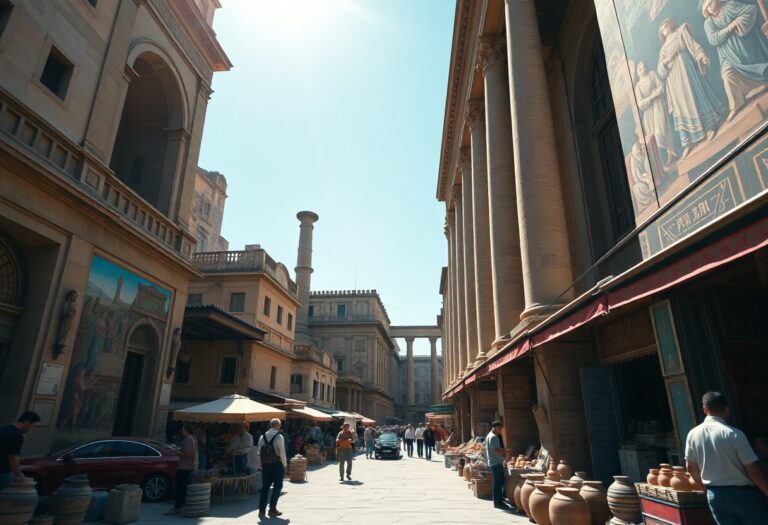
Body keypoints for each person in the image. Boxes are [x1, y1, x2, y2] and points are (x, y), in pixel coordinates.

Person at [685, 391, 768, 524]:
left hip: (715, 495)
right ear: (727, 410)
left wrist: (707, 490)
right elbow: (754, 471)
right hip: (743, 495)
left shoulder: (692, 434)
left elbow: (690, 467)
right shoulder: (734, 434)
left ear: (705, 409)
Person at [656, 17, 724, 158]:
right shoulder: (663, 49)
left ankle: (709, 127)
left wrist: (701, 56)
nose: (665, 28)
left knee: (696, 96)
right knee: (681, 108)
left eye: (666, 25)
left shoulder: (681, 32)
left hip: (687, 71)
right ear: (661, 32)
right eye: (662, 28)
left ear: (671, 24)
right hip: (673, 82)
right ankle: (687, 143)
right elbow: (660, 71)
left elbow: (693, 45)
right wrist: (665, 62)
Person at [702, 0, 768, 123]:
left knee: (754, 69)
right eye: (707, 6)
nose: (710, 7)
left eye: (711, 3)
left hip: (743, 48)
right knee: (727, 75)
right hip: (727, 55)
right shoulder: (708, 23)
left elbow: (751, 10)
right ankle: (735, 104)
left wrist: (738, 22)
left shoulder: (730, 6)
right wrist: (729, 27)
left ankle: (759, 86)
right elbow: (713, 39)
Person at [0, 411, 39, 491]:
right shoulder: (17, 435)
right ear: (27, 423)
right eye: (32, 426)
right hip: (2, 471)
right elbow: (13, 457)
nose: (31, 429)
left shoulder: (3, 429)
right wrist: (19, 475)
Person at [257, 418, 287, 518]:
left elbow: (259, 452)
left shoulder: (262, 437)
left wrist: (260, 465)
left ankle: (261, 510)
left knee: (265, 487)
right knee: (277, 486)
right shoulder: (279, 437)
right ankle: (272, 509)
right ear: (278, 425)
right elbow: (282, 453)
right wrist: (285, 464)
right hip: (277, 464)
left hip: (265, 464)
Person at [166, 423, 197, 515]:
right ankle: (179, 506)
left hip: (185, 467)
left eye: (183, 429)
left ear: (186, 429)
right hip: (184, 466)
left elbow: (189, 454)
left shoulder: (189, 439)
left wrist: (177, 452)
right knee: (181, 488)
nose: (182, 431)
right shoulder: (189, 439)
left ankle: (178, 507)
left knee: (181, 488)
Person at [485, 420, 512, 510]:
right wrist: (506, 451)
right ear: (495, 427)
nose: (500, 431)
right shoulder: (493, 437)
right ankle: (498, 502)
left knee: (500, 481)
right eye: (500, 429)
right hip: (496, 463)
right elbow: (495, 450)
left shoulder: (489, 435)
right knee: (498, 483)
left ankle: (499, 499)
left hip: (494, 462)